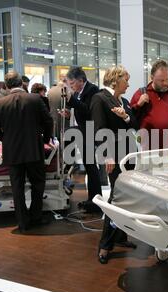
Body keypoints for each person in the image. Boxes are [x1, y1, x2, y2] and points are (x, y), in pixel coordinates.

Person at [0, 71, 54, 233]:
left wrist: (7, 140)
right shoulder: (35, 99)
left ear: (6, 85)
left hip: (13, 152)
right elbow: (48, 121)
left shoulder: (0, 103)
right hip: (34, 149)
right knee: (38, 184)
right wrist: (45, 140)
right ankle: (36, 216)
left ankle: (23, 222)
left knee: (17, 188)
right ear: (22, 83)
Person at [90, 66, 139, 264]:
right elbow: (98, 129)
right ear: (115, 80)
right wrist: (107, 156)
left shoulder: (123, 101)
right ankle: (105, 245)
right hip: (115, 156)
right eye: (126, 80)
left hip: (129, 155)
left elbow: (134, 122)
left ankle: (120, 237)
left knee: (125, 196)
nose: (128, 84)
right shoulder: (100, 98)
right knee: (117, 198)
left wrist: (125, 117)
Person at [130, 60, 168, 150]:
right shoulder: (141, 94)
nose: (165, 83)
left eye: (167, 79)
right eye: (161, 80)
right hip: (149, 152)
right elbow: (131, 121)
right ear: (152, 78)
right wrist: (138, 104)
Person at [65, 66, 102, 213]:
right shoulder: (80, 92)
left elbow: (88, 111)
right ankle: (92, 199)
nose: (71, 86)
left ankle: (95, 201)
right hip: (82, 132)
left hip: (90, 133)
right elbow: (80, 111)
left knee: (92, 168)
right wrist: (69, 114)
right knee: (89, 167)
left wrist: (71, 99)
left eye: (72, 83)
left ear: (81, 80)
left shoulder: (92, 90)